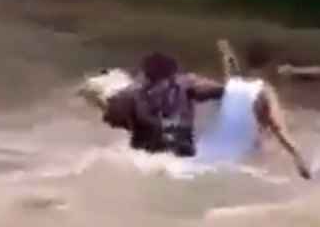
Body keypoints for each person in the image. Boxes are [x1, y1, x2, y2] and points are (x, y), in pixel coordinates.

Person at [200, 39, 311, 179]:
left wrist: (227, 54)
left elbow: (230, 71)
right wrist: (299, 158)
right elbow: (279, 130)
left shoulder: (232, 84)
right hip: (239, 158)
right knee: (266, 147)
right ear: (271, 65)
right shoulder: (264, 92)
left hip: (208, 150)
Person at [78, 52, 224, 157]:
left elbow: (112, 118)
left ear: (145, 74)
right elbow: (211, 90)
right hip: (182, 152)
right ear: (174, 72)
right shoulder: (186, 84)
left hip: (144, 156)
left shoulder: (131, 93)